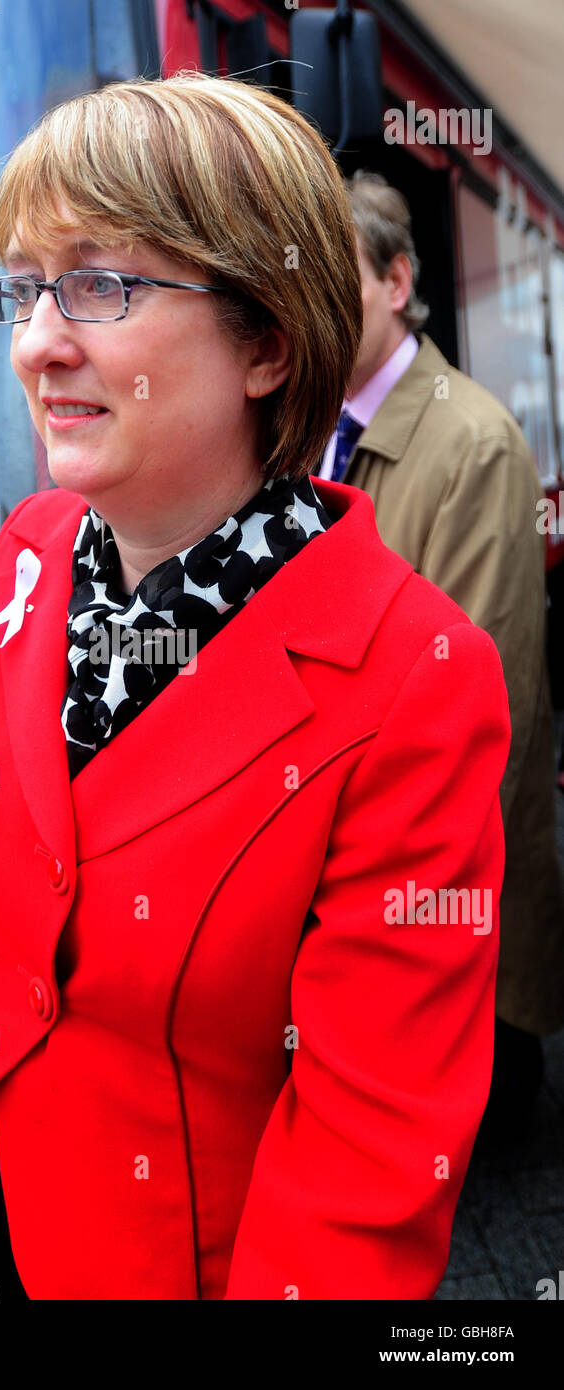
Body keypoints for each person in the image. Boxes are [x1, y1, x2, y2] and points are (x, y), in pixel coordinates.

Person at [0, 72, 510, 1300]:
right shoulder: (29, 547)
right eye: (21, 287)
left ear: (267, 346)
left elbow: (365, 1163)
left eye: (101, 284)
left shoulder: (411, 677)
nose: (35, 341)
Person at [317, 170, 564, 1142]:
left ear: (393, 280)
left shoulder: (471, 442)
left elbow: (478, 708)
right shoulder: (302, 426)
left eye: (327, 277)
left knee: (478, 1131)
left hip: (439, 885)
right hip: (358, 863)